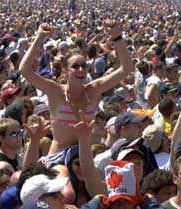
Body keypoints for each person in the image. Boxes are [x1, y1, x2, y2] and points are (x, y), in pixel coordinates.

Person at [19, 20, 132, 164]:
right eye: (75, 66)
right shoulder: (56, 92)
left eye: (84, 66)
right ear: (65, 72)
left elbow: (126, 69)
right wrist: (40, 37)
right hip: (58, 159)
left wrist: (117, 36)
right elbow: (24, 70)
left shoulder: (93, 90)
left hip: (86, 158)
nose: (81, 70)